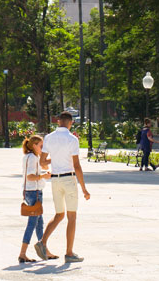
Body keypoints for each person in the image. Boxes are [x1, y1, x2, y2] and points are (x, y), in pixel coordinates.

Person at [35, 111, 90, 264]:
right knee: (71, 217)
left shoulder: (49, 138)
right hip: (68, 179)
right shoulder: (72, 139)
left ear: (58, 121)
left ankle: (42, 241)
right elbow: (77, 165)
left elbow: (43, 162)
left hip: (55, 181)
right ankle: (69, 252)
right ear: (70, 123)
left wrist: (56, 159)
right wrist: (84, 188)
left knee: (59, 214)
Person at [18, 135, 51, 264]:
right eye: (41, 146)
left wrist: (44, 169)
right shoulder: (32, 158)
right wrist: (43, 176)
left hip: (29, 191)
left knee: (39, 222)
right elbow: (31, 176)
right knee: (33, 223)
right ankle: (22, 253)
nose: (42, 149)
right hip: (34, 193)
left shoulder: (29, 157)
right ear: (34, 145)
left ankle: (44, 249)